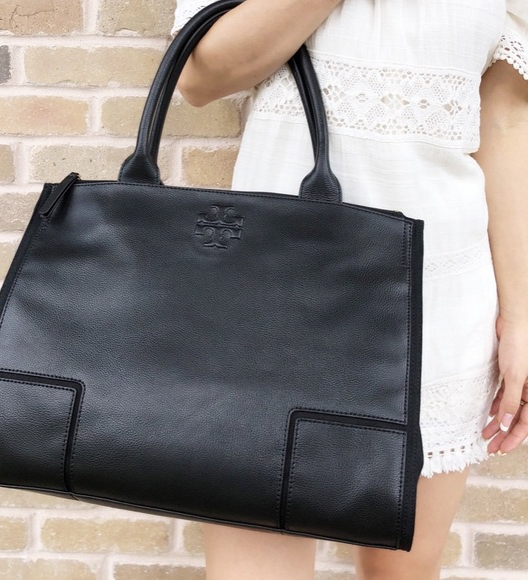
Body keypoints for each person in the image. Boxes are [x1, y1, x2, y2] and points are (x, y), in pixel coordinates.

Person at [172, 1, 528, 578]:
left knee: (402, 572)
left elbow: (505, 120)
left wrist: (522, 313)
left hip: (435, 303)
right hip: (271, 300)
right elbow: (201, 76)